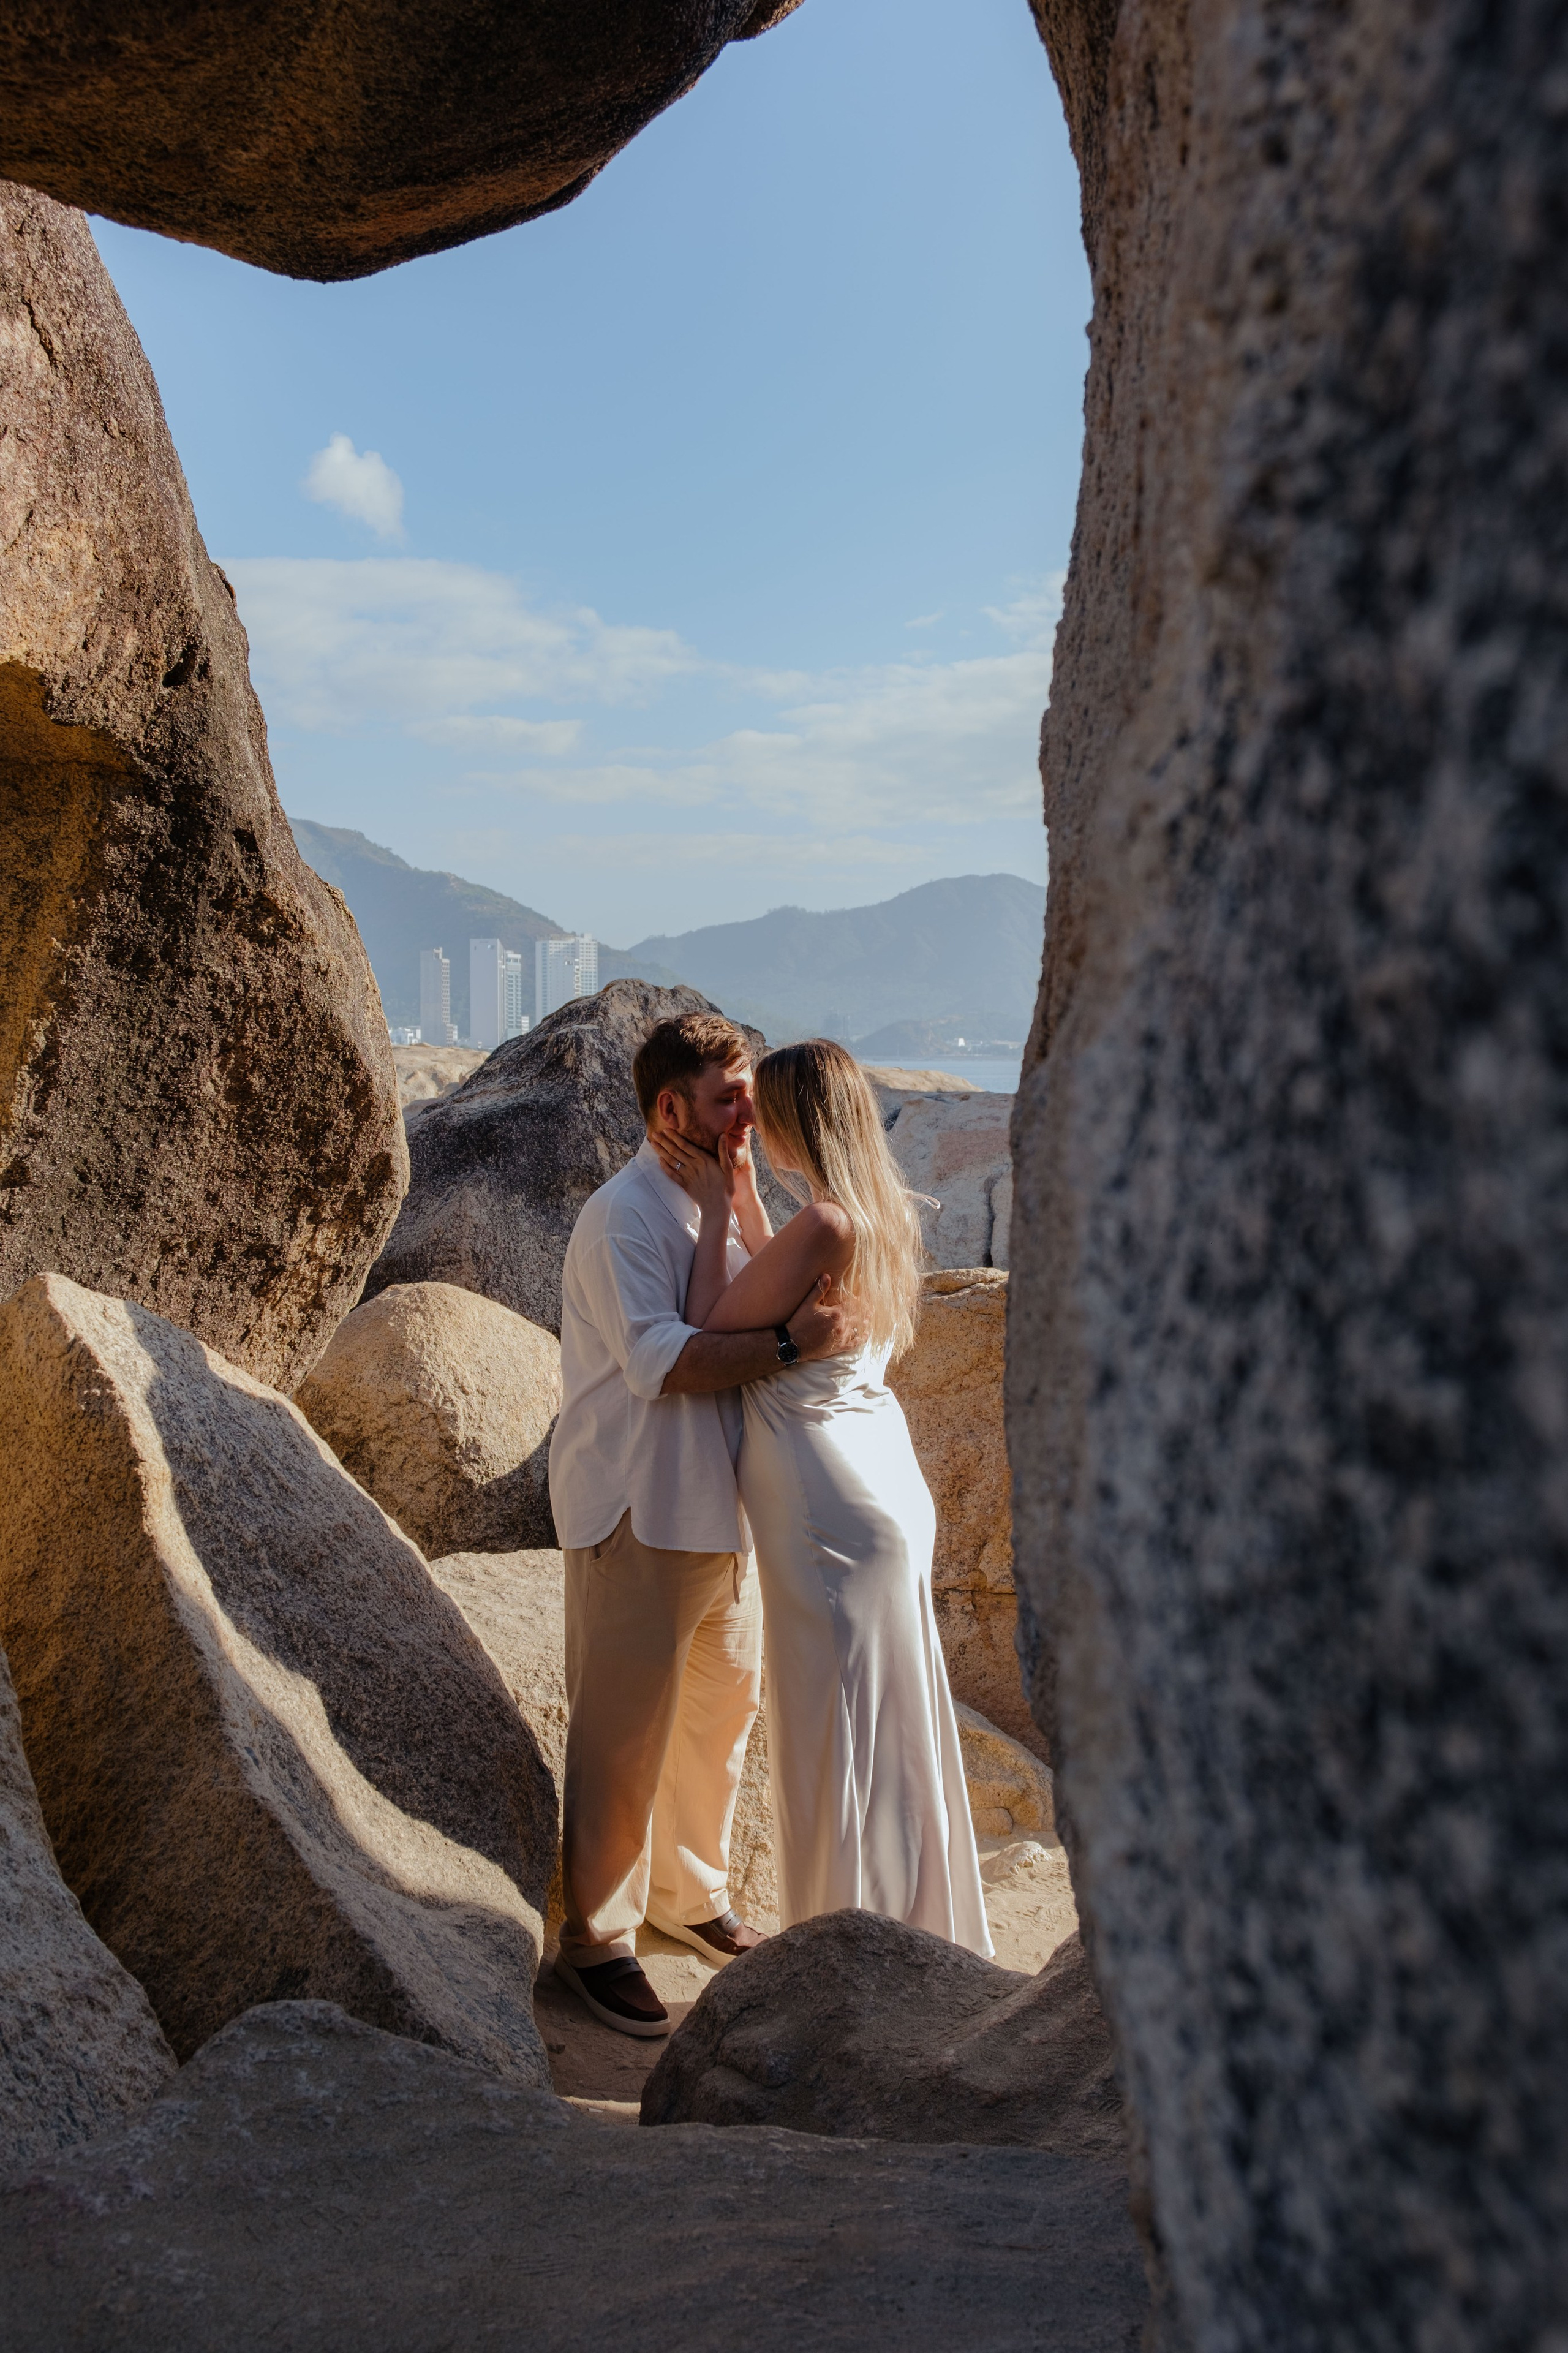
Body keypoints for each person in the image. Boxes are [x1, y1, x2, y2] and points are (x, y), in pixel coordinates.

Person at [547, 1012, 864, 2038]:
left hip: (724, 1509)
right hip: (639, 1504)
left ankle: (691, 1896)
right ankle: (598, 1937)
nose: (747, 1114)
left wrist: (746, 1206)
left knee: (720, 1717)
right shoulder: (624, 1217)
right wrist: (789, 1345)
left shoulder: (714, 1198)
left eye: (749, 1095)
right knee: (622, 1734)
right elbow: (662, 1361)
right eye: (728, 1098)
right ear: (668, 1106)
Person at [650, 1037, 992, 1957]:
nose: (750, 1122)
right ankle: (919, 1933)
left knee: (833, 1730)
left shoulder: (829, 1224)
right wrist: (749, 1200)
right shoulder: (872, 1211)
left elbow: (710, 1328)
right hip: (878, 1482)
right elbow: (785, 1280)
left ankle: (847, 1954)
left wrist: (715, 1208)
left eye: (763, 1109)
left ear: (797, 1119)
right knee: (897, 1728)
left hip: (825, 1504)